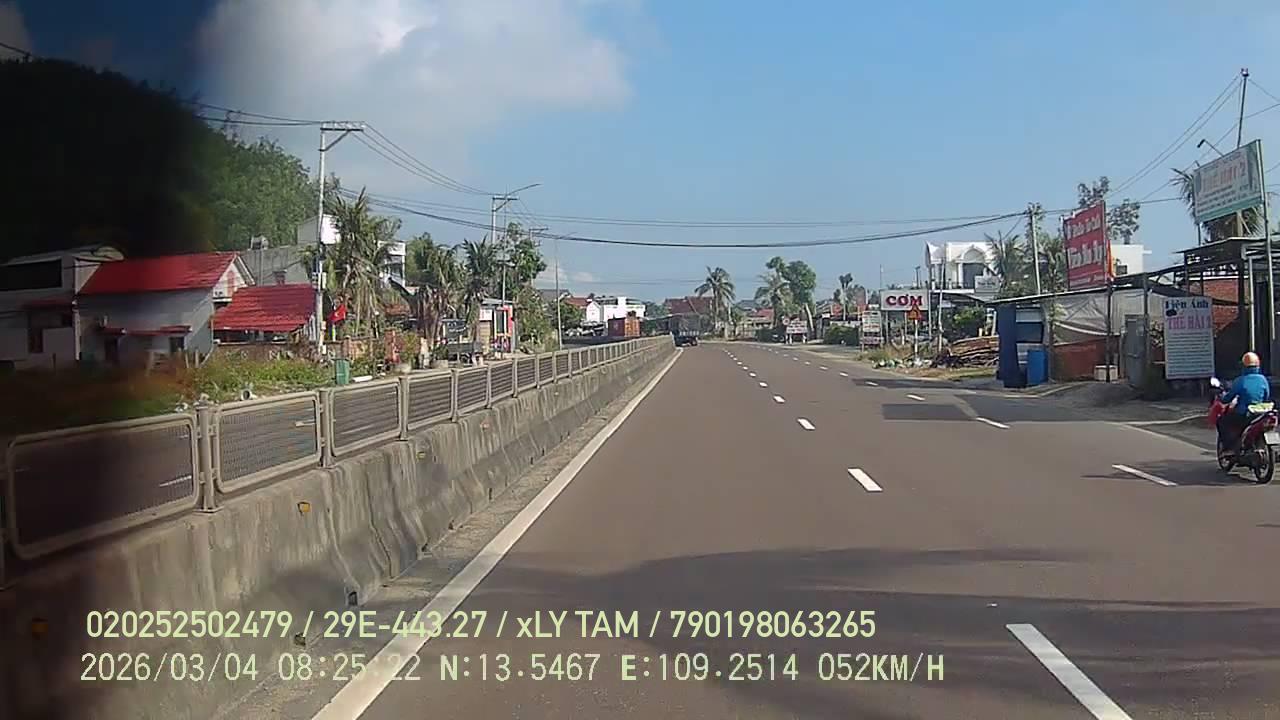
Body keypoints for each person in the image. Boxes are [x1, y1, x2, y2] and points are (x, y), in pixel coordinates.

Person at [1218, 351, 1271, 451]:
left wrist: (1222, 398)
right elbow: (1266, 396)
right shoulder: (1263, 379)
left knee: (1222, 421)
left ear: (1243, 366)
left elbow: (1228, 398)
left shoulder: (1240, 381)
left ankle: (1229, 447)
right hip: (1260, 413)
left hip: (1244, 414)